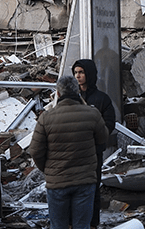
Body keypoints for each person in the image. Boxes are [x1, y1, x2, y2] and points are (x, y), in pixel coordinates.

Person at [30, 75, 108, 229]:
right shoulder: (92, 114)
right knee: (82, 226)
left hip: (57, 182)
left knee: (58, 226)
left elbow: (35, 151)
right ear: (78, 91)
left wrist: (48, 170)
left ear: (58, 94)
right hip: (85, 181)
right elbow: (103, 138)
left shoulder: (46, 118)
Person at [72, 59, 117, 229]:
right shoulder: (73, 98)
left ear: (89, 74)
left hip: (93, 152)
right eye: (76, 72)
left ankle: (92, 223)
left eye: (81, 72)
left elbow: (109, 124)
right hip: (75, 152)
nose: (78, 76)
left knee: (93, 188)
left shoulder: (102, 99)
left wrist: (94, 137)